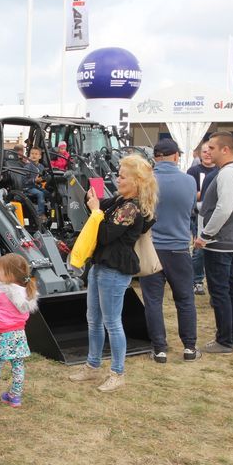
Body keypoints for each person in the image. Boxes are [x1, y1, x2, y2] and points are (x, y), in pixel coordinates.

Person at [69, 155, 157, 392]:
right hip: (101, 265)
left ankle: (118, 372)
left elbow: (105, 235)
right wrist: (94, 190)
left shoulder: (131, 207)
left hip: (115, 269)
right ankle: (92, 365)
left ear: (137, 181)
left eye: (122, 176)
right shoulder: (121, 201)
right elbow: (101, 203)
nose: (117, 179)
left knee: (112, 323)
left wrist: (96, 211)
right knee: (93, 320)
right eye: (118, 174)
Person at [139, 139, 200, 363]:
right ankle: (190, 347)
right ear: (176, 156)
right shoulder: (189, 181)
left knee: (153, 301)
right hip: (179, 248)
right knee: (185, 300)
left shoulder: (146, 182)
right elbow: (191, 210)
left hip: (152, 248)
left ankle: (159, 348)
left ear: (155, 157)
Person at [195, 131, 233, 353]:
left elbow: (225, 207)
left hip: (220, 242)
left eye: (212, 147)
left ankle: (225, 340)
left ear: (225, 150)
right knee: (230, 288)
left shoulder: (228, 174)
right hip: (231, 240)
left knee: (221, 292)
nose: (208, 151)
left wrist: (206, 235)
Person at [0, 254, 39, 408]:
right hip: (19, 334)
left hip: (3, 335)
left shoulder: (2, 293)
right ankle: (14, 396)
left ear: (9, 275)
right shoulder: (27, 291)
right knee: (18, 365)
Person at [186, 141, 218, 295]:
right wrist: (203, 195)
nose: (207, 154)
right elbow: (190, 194)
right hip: (197, 215)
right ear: (199, 154)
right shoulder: (193, 171)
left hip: (216, 215)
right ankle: (197, 280)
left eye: (210, 151)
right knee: (199, 250)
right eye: (204, 151)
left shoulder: (220, 171)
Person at [23, 146, 48, 223]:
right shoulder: (27, 167)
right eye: (32, 153)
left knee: (49, 193)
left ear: (40, 156)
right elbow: (24, 181)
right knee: (40, 194)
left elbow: (44, 177)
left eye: (36, 154)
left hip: (38, 186)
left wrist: (43, 180)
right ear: (29, 155)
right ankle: (40, 214)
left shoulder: (41, 167)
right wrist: (34, 180)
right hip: (28, 188)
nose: (34, 155)